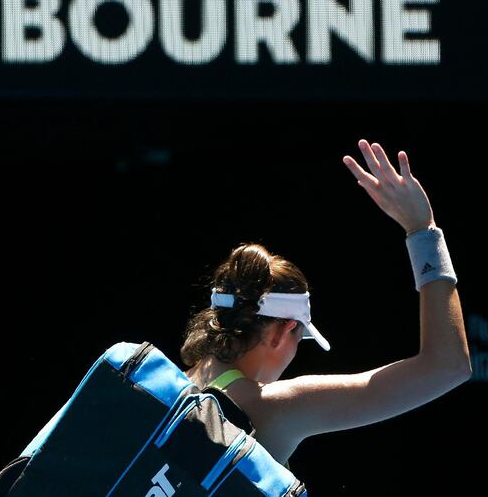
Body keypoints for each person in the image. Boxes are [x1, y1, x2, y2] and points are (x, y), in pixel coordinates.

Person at [182, 139, 471, 467]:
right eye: (298, 337)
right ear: (282, 331)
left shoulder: (166, 391)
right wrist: (422, 229)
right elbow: (448, 366)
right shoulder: (275, 408)